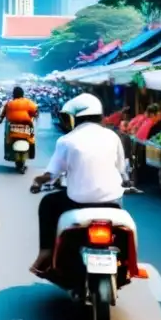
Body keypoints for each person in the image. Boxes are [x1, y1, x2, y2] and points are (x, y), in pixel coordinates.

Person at [28, 93, 127, 275]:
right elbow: (121, 169)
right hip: (113, 200)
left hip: (77, 200)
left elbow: (51, 174)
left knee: (48, 203)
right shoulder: (112, 137)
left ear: (75, 118)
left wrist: (37, 181)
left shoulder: (66, 140)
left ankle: (45, 253)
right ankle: (126, 262)